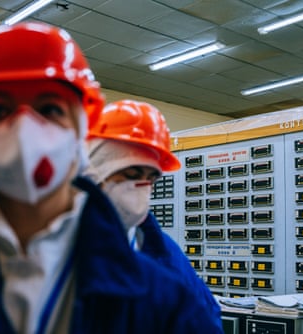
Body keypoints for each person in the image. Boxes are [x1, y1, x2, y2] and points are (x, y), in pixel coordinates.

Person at [0, 22, 223, 333]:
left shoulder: (165, 297)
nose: (25, 130)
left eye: (49, 109)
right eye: (0, 110)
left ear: (82, 128)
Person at [85, 99, 222, 330]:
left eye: (151, 178)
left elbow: (205, 318)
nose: (143, 186)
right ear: (96, 174)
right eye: (132, 174)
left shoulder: (166, 252)